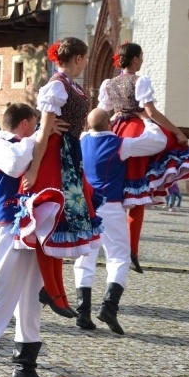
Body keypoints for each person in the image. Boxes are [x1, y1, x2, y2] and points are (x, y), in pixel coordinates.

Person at [0, 103, 66, 377]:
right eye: (35, 124)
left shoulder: (27, 142)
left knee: (30, 298)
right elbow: (15, 166)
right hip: (5, 226)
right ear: (26, 123)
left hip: (31, 229)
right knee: (1, 293)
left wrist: (41, 140)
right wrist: (39, 138)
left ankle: (25, 369)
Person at [98, 42, 189, 272]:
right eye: (141, 57)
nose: (142, 61)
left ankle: (114, 248)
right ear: (134, 60)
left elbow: (103, 112)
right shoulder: (140, 80)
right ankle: (132, 250)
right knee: (138, 196)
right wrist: (177, 132)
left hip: (115, 130)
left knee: (116, 193)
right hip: (136, 130)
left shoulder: (109, 84)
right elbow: (151, 112)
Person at [21, 38, 103, 318]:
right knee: (49, 222)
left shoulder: (72, 86)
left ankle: (57, 291)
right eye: (85, 58)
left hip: (69, 155)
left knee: (61, 223)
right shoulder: (57, 85)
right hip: (55, 156)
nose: (86, 63)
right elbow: (44, 132)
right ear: (78, 58)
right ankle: (53, 290)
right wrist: (33, 169)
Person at [75, 108, 166, 335]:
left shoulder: (83, 140)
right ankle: (109, 307)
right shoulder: (120, 144)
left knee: (85, 259)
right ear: (110, 123)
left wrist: (109, 117)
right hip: (111, 206)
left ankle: (83, 312)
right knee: (118, 257)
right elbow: (158, 142)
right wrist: (147, 120)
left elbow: (95, 124)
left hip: (86, 206)